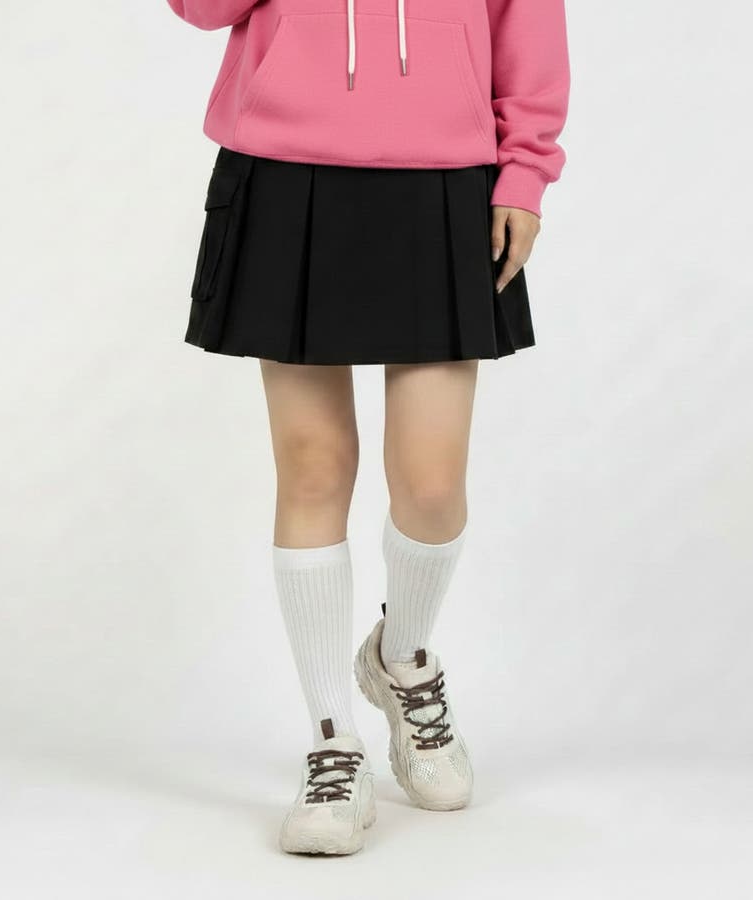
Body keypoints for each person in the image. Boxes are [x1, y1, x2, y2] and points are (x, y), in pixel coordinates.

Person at [165, 0, 570, 855]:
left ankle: (402, 659)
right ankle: (332, 742)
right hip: (284, 167)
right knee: (313, 467)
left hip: (447, 172)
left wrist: (525, 171)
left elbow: (527, 18)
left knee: (431, 483)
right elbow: (199, 9)